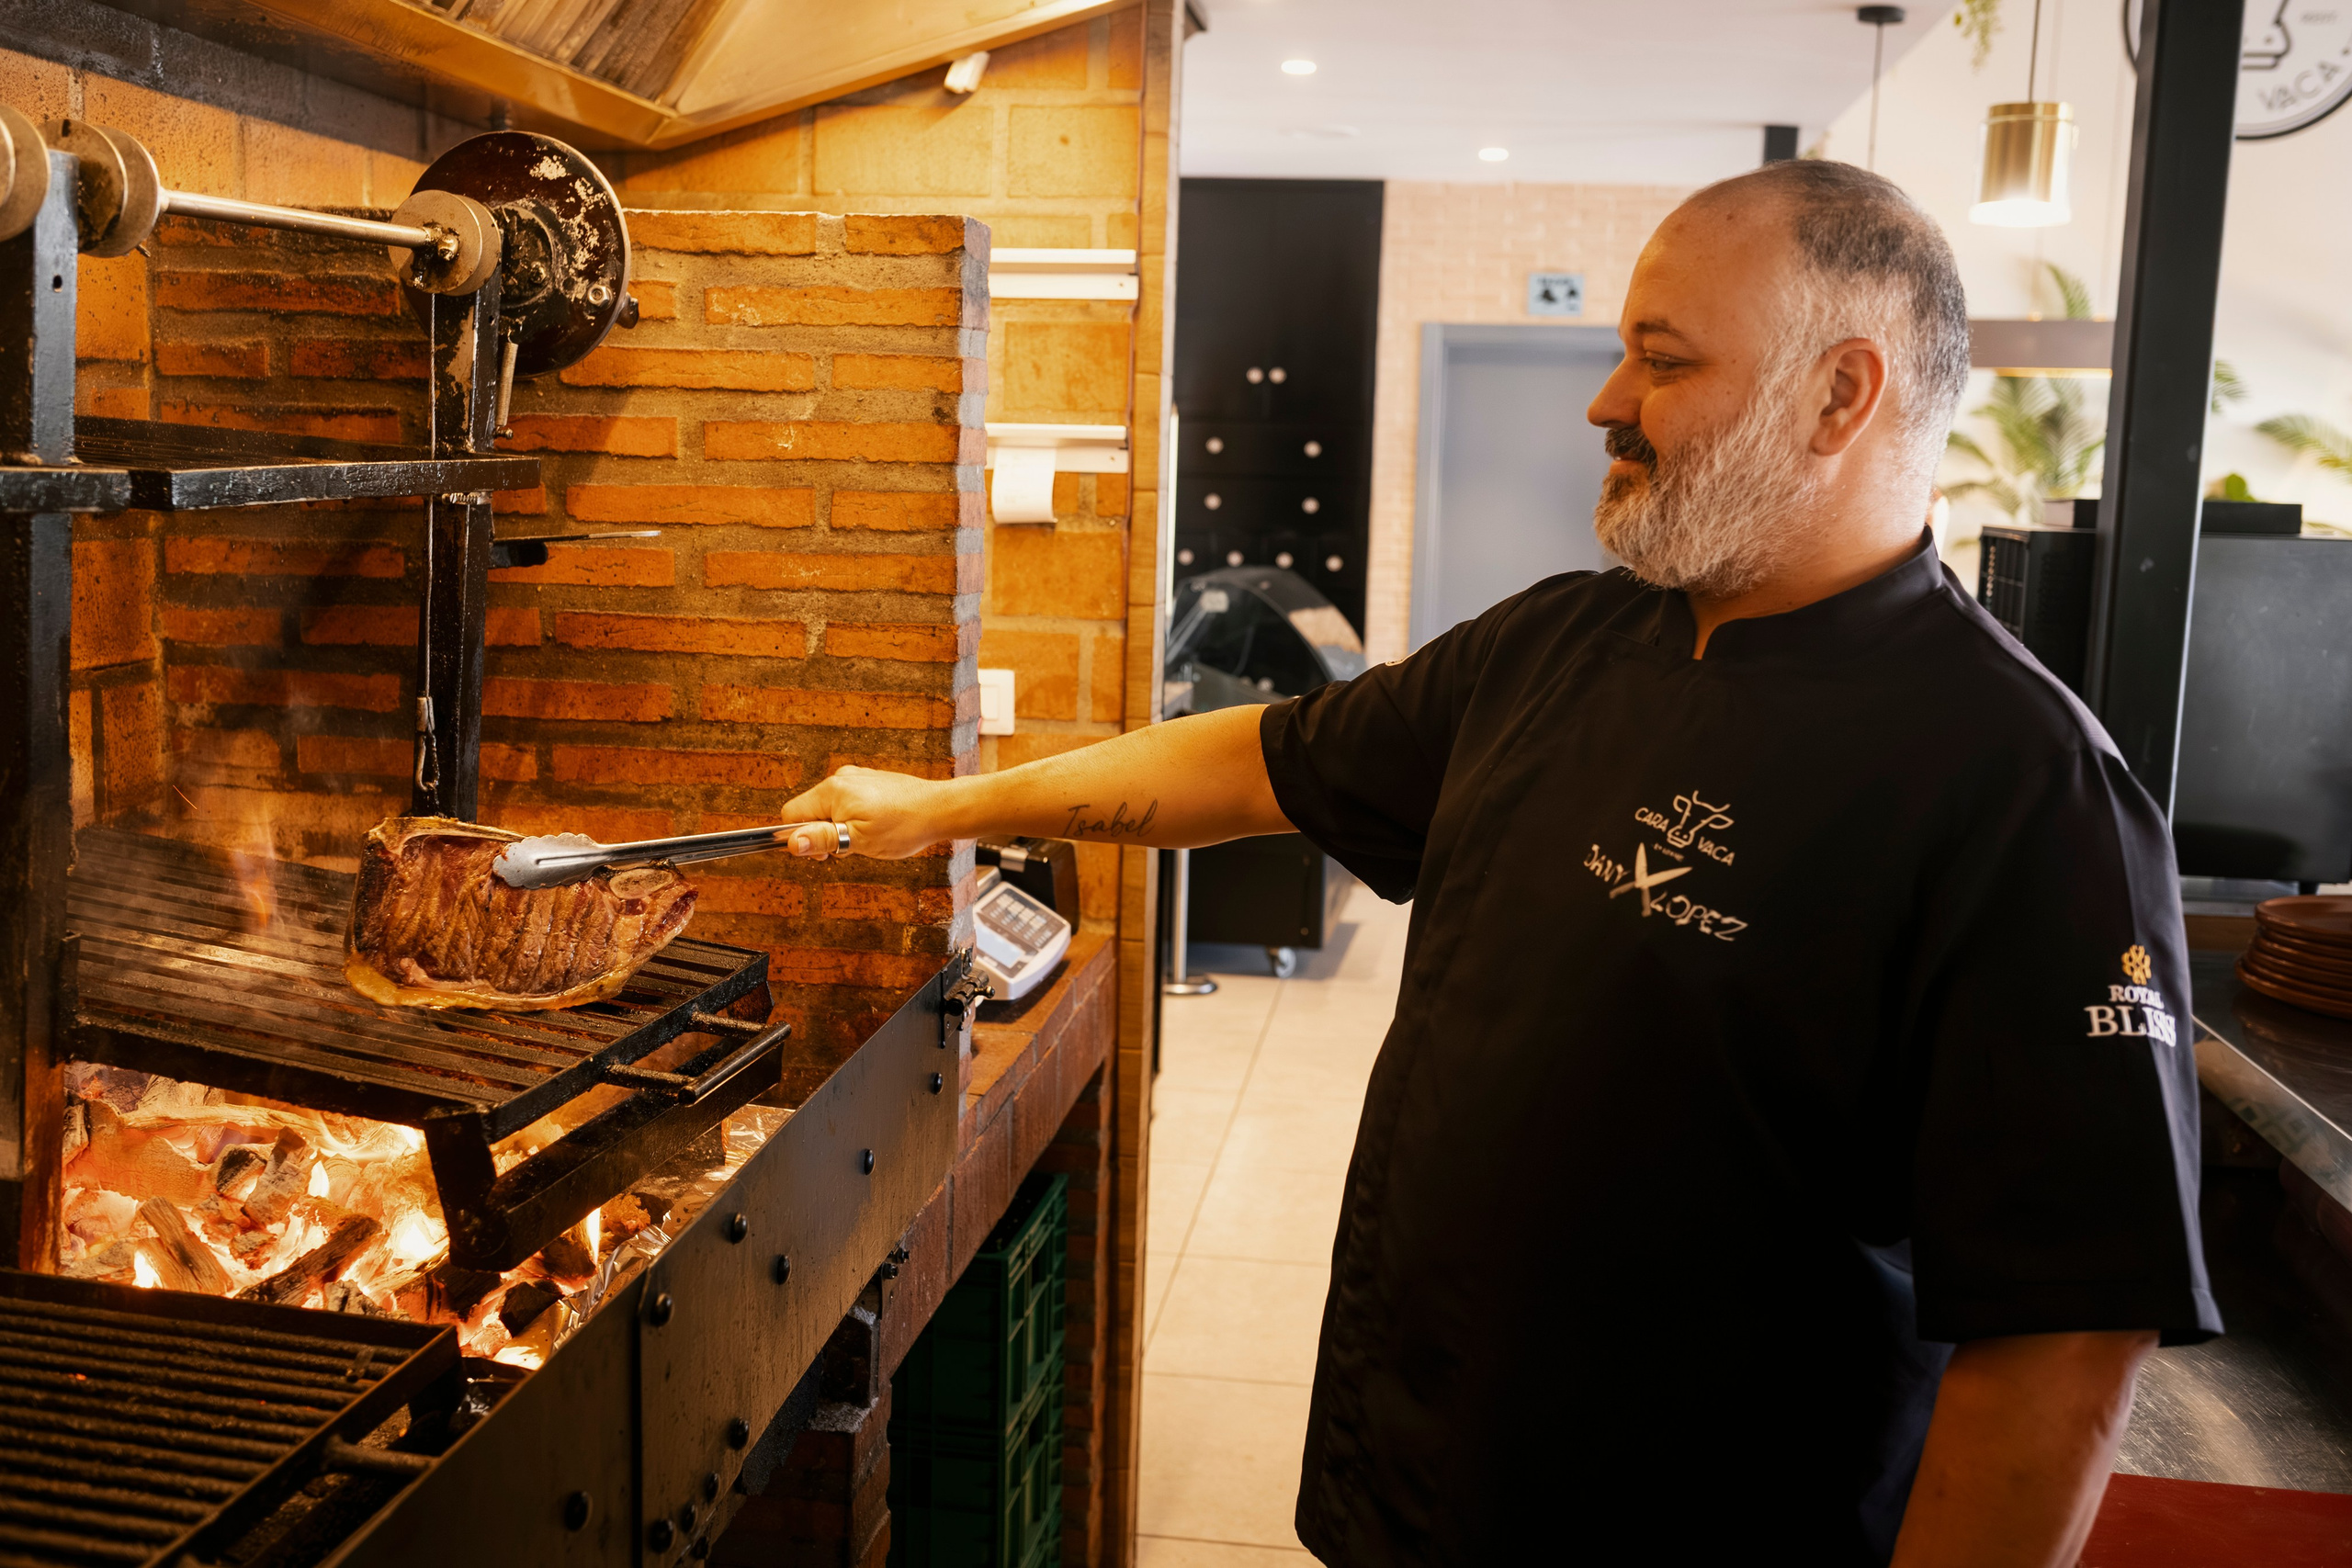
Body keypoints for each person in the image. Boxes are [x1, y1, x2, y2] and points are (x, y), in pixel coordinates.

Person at [782, 160, 2216, 1566]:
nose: (1607, 402)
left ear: (1843, 394)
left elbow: (2065, 1346)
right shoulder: (1564, 645)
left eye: (1660, 361)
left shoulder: (2025, 788)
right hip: (1413, 1484)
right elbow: (1253, 759)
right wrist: (950, 807)